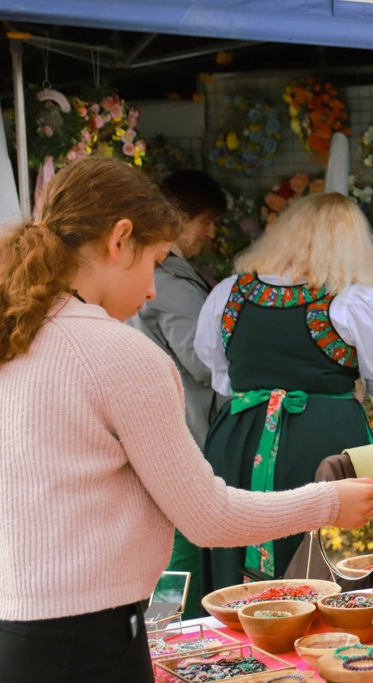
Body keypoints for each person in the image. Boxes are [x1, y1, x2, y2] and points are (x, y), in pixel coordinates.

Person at [0, 157, 373, 683]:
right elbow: (208, 517)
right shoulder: (118, 354)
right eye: (157, 262)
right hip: (75, 648)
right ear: (120, 239)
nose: (156, 292)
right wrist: (330, 501)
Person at [195, 191, 373, 590]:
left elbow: (220, 372)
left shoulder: (229, 293)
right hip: (323, 439)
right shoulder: (351, 302)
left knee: (235, 535)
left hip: (239, 438)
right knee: (328, 555)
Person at [129, 169, 228, 619]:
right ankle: (170, 638)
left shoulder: (162, 276)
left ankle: (164, 633)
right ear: (180, 218)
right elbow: (204, 363)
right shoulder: (169, 283)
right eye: (206, 222)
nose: (210, 233)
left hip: (168, 429)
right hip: (187, 430)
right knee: (182, 551)